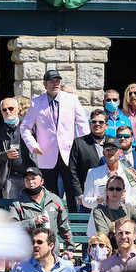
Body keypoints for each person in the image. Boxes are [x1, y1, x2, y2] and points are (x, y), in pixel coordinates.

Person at [20, 70, 90, 212]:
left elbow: (83, 124)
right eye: (52, 81)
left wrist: (83, 147)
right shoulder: (36, 103)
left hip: (69, 153)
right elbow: (25, 127)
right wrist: (33, 145)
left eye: (57, 80)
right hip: (46, 154)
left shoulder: (71, 99)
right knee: (50, 192)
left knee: (72, 190)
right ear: (45, 84)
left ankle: (74, 224)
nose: (55, 83)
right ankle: (53, 224)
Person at [9, 167, 76, 258]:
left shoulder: (54, 200)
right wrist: (32, 222)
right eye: (27, 180)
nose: (30, 182)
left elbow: (63, 225)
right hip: (29, 255)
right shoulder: (17, 204)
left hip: (52, 254)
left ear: (42, 181)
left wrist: (70, 247)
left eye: (33, 179)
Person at [0, 97, 34, 199]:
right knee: (12, 209)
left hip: (30, 176)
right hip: (11, 178)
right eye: (4, 110)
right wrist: (6, 154)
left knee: (32, 208)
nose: (8, 112)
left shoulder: (29, 126)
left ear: (18, 110)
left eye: (11, 108)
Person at [81, 137, 136, 211]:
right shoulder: (93, 172)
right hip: (100, 218)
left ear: (121, 152)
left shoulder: (130, 172)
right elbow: (85, 200)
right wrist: (97, 201)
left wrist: (125, 199)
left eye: (114, 149)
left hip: (123, 218)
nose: (110, 152)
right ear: (103, 153)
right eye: (107, 149)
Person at [68, 111, 111, 209]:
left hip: (111, 196)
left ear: (106, 125)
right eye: (94, 121)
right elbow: (72, 170)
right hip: (87, 196)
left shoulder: (113, 142)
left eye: (100, 122)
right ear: (90, 123)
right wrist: (79, 195)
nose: (97, 124)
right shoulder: (79, 143)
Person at [8, 228, 79, 272]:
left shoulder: (67, 267)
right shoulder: (21, 267)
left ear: (51, 246)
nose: (35, 245)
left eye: (39, 242)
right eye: (33, 242)